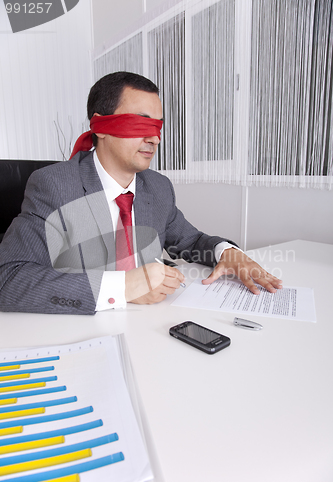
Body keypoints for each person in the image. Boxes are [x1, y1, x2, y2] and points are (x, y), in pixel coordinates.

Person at [0, 72, 282, 315]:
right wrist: (122, 288)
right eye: (140, 124)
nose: (154, 138)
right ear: (101, 128)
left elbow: (191, 240)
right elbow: (7, 279)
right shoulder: (55, 185)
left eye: (157, 126)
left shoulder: (158, 187)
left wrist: (227, 252)